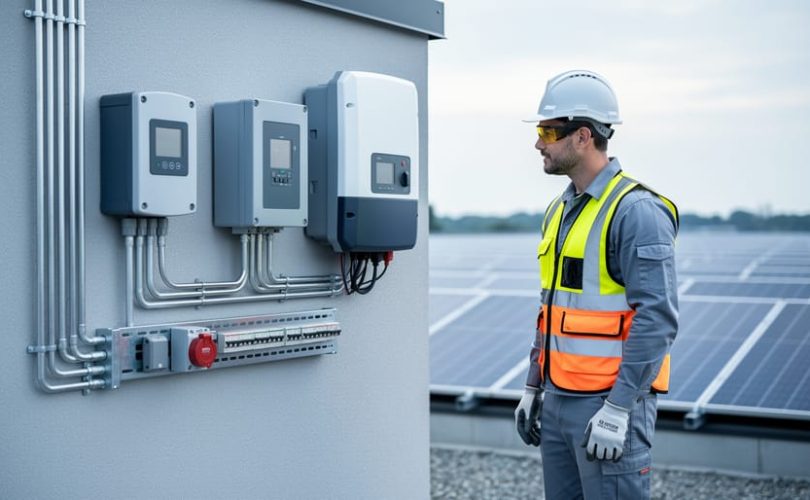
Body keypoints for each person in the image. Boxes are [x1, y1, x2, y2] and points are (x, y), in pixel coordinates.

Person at [513, 70, 679, 499]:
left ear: (583, 136)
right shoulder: (559, 210)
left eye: (547, 130)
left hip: (608, 405)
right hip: (558, 400)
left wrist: (619, 407)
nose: (538, 143)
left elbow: (657, 319)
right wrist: (535, 386)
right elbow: (550, 309)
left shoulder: (636, 211)